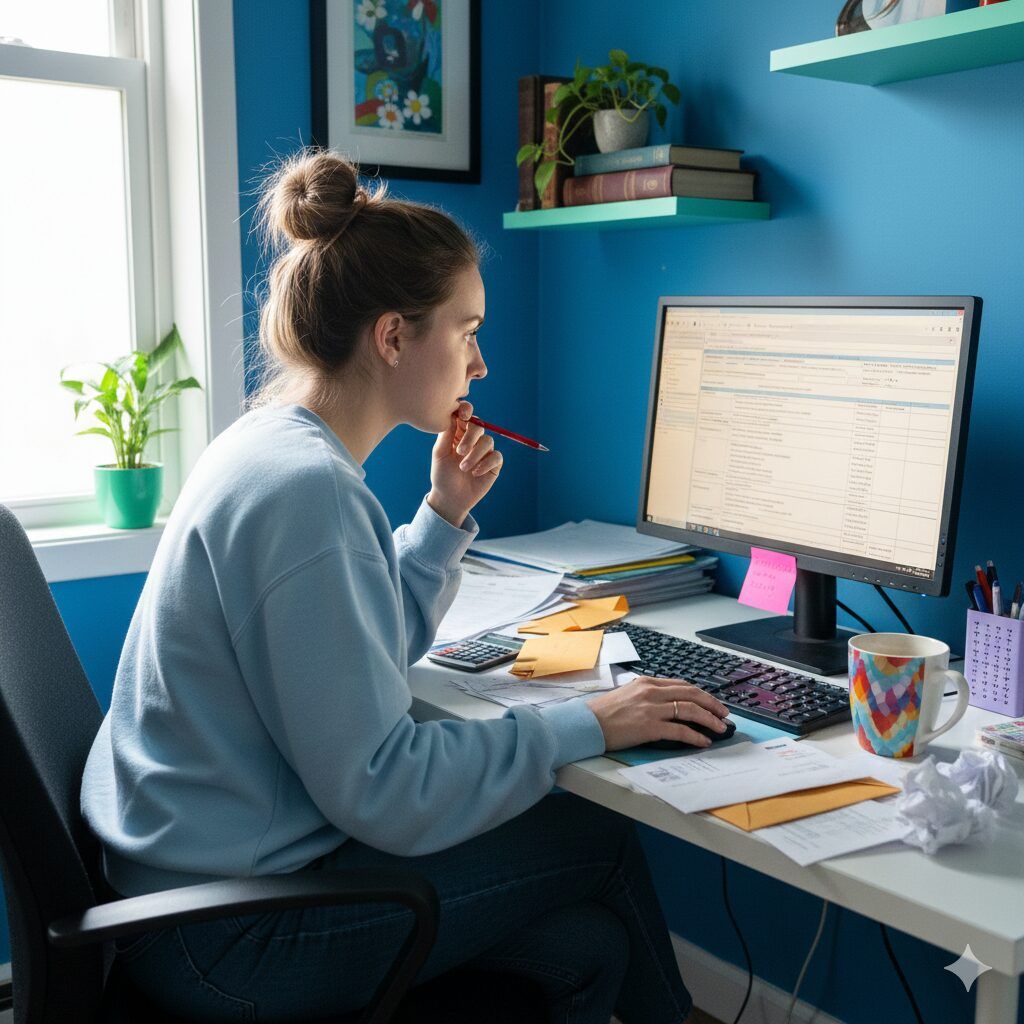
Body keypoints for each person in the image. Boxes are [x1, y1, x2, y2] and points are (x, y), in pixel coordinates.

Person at [80, 149, 731, 1024]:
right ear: (393, 336)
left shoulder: (269, 446)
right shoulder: (305, 492)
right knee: (602, 841)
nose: (482, 365)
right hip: (223, 934)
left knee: (588, 948)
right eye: (467, 332)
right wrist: (589, 722)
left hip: (181, 890)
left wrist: (441, 516)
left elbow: (355, 659)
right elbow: (385, 788)